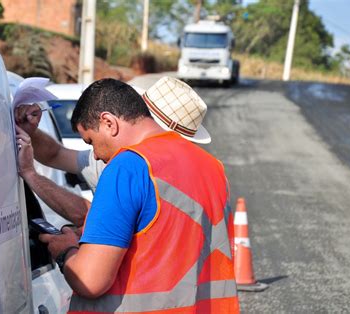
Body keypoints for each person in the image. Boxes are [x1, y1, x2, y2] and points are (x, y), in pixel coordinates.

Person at [16, 78, 239, 312]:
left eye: (91, 141)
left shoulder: (127, 167)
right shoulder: (213, 168)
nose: (97, 155)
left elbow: (90, 281)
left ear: (109, 123)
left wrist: (66, 250)